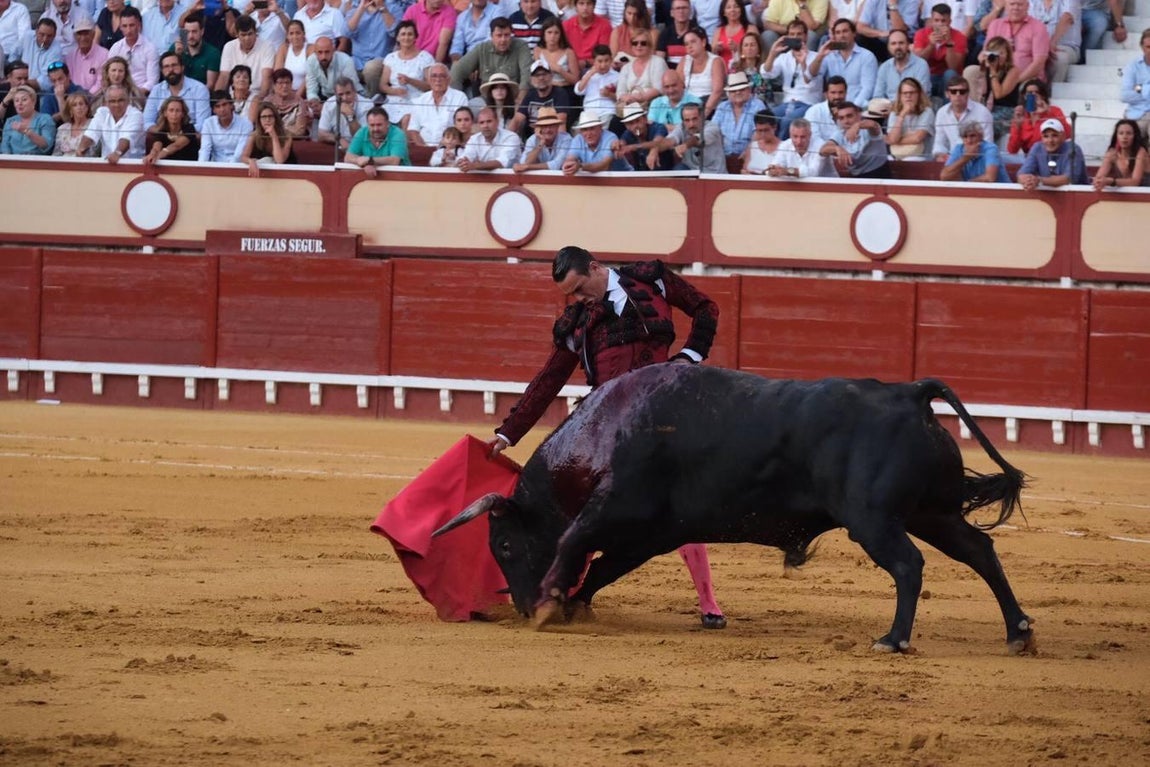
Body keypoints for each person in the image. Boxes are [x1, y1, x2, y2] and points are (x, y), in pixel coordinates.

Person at [487, 244, 727, 630]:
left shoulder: (653, 282)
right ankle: (568, 593)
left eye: (581, 288)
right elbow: (549, 380)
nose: (579, 299)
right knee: (585, 509)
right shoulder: (577, 324)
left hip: (661, 416)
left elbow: (706, 309)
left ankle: (708, 601)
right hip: (608, 428)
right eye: (572, 295)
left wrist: (690, 357)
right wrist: (508, 433)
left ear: (596, 268)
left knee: (679, 505)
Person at [763, 20, 823, 139]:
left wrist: (803, 62)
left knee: (787, 122)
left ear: (806, 36)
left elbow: (811, 85)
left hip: (808, 102)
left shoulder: (816, 57)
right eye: (792, 34)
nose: (795, 37)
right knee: (768, 119)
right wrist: (772, 53)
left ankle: (780, 150)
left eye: (799, 34)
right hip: (788, 102)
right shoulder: (784, 57)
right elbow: (767, 74)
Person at [450, 17, 532, 98]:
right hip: (486, 100)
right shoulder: (482, 49)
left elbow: (527, 75)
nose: (503, 40)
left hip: (512, 99)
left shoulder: (521, 46)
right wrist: (456, 99)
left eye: (506, 35)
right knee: (472, 107)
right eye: (499, 36)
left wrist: (520, 100)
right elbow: (457, 71)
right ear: (491, 36)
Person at [809, 18, 877, 105]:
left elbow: (868, 88)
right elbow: (812, 75)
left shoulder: (867, 56)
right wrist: (820, 56)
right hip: (833, 105)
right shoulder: (828, 55)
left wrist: (854, 107)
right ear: (834, 36)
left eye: (845, 31)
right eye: (838, 32)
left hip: (857, 106)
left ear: (854, 33)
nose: (842, 35)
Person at [380, 19, 434, 129]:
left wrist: (410, 81)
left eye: (410, 34)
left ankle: (404, 146)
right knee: (380, 119)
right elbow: (383, 85)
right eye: (403, 34)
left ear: (415, 37)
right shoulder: (391, 58)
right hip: (394, 100)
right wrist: (394, 91)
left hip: (416, 101)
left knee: (407, 119)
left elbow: (430, 86)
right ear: (398, 38)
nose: (406, 37)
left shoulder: (424, 57)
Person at [819, 99, 889, 177]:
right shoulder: (840, 133)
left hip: (879, 174)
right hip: (856, 177)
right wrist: (837, 148)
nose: (846, 121)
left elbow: (873, 125)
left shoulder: (868, 129)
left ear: (859, 115)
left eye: (849, 116)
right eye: (841, 118)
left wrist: (857, 125)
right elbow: (822, 150)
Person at [144, 50, 212, 131]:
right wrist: (160, 131)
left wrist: (179, 133)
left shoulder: (199, 89)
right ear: (162, 71)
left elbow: (203, 124)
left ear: (182, 67)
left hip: (190, 136)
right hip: (162, 134)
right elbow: (147, 121)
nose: (171, 70)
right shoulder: (156, 90)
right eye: (166, 66)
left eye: (174, 65)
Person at [984, 0, 1048, 85]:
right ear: (1006, 6)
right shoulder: (995, 25)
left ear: (1027, 6)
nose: (1015, 7)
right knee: (971, 72)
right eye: (1012, 4)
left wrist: (1015, 81)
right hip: (997, 76)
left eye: (1020, 4)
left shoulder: (1038, 27)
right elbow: (984, 55)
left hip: (1027, 80)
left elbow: (1039, 63)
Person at [966, 35, 1020, 136]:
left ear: (1008, 54)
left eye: (1002, 53)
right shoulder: (986, 67)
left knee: (985, 125)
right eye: (995, 53)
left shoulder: (1013, 71)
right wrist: (983, 64)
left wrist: (992, 71)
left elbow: (998, 94)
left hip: (1006, 111)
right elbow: (982, 92)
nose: (998, 57)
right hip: (987, 108)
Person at [912, 3, 967, 99]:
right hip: (929, 76)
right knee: (918, 74)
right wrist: (931, 45)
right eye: (936, 20)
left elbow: (953, 66)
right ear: (931, 21)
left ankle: (949, 109)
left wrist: (949, 42)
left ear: (950, 21)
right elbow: (918, 61)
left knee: (950, 73)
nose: (940, 24)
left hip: (947, 78)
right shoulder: (921, 34)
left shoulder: (959, 37)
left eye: (943, 21)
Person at [406, 61, 469, 145]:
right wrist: (424, 149)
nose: (438, 80)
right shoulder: (420, 100)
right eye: (434, 76)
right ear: (428, 80)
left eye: (442, 76)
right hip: (424, 148)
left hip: (450, 148)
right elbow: (413, 130)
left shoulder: (460, 97)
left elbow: (463, 128)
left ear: (449, 79)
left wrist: (443, 149)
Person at [932, 74, 993, 160]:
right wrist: (940, 156)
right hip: (951, 159)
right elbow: (939, 143)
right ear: (947, 94)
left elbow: (988, 144)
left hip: (976, 159)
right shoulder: (941, 113)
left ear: (968, 93)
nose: (958, 95)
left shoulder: (982, 112)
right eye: (953, 91)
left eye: (962, 91)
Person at [78, 83, 144, 161]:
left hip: (132, 165)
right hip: (106, 164)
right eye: (112, 101)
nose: (117, 104)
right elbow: (90, 134)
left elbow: (127, 139)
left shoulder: (136, 115)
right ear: (106, 103)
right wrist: (82, 147)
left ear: (128, 101)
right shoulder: (102, 112)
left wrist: (117, 153)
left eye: (121, 100)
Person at [1006, 77, 1069, 156]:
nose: (1033, 95)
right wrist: (1017, 127)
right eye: (1029, 93)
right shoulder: (1022, 115)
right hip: (1030, 157)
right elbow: (1012, 150)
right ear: (1025, 96)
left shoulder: (1054, 111)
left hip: (1052, 154)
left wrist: (1046, 114)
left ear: (1043, 96)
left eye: (1037, 92)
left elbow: (1067, 134)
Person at [1016, 117, 1086, 188]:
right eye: (1046, 136)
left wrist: (1039, 180)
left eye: (1054, 135)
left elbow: (1068, 179)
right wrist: (1028, 181)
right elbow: (1021, 175)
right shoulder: (1037, 147)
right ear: (1041, 138)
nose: (1050, 140)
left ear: (1063, 136)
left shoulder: (1073, 148)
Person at [713, 69, 766, 160]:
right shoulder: (722, 106)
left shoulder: (758, 105)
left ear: (749, 90)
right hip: (722, 156)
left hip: (750, 156)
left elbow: (759, 133)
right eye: (734, 91)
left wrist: (748, 152)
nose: (738, 92)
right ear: (728, 93)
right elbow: (714, 129)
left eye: (742, 89)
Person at [347, 0, 394, 98]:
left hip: (381, 59)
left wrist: (383, 9)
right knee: (343, 65)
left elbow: (394, 33)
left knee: (371, 68)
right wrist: (361, 9)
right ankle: (354, 101)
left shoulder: (392, 7)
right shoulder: (355, 9)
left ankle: (373, 102)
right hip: (358, 60)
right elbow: (347, 32)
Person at [219, 14, 276, 97]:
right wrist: (218, 99)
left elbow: (266, 77)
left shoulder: (267, 47)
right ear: (237, 35)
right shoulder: (229, 46)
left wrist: (258, 101)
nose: (247, 38)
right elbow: (224, 76)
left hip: (257, 94)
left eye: (250, 34)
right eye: (243, 35)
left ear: (255, 33)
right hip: (234, 95)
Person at [306, 35, 359, 123]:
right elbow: (311, 88)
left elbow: (348, 91)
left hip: (348, 98)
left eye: (327, 52)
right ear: (315, 52)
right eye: (320, 52)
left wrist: (326, 106)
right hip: (326, 97)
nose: (323, 56)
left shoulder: (345, 61)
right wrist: (314, 102)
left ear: (334, 50)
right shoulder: (311, 61)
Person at [345, 104, 411, 173]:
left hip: (400, 177)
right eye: (372, 125)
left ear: (388, 123)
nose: (375, 129)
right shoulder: (362, 132)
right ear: (367, 124)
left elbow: (394, 161)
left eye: (379, 125)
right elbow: (347, 157)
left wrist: (370, 160)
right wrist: (361, 161)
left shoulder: (398, 133)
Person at [514, 58, 573, 133]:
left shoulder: (560, 93)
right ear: (531, 79)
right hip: (532, 138)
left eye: (544, 74)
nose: (541, 78)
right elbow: (517, 120)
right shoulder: (530, 94)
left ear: (551, 75)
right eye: (537, 75)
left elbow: (561, 122)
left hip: (553, 137)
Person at [615, 23, 666, 110]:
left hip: (653, 106)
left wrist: (640, 98)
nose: (639, 46)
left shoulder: (658, 62)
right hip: (630, 107)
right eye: (635, 43)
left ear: (649, 46)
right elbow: (620, 92)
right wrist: (627, 98)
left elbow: (659, 88)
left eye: (643, 43)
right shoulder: (626, 67)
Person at [108, 6, 158, 94]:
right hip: (118, 94)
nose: (128, 30)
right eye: (124, 26)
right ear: (120, 27)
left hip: (141, 95)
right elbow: (108, 75)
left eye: (132, 25)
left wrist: (136, 95)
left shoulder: (150, 48)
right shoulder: (116, 48)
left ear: (139, 25)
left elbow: (152, 81)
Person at [562, 108, 630, 172]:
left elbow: (604, 166)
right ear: (580, 131)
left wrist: (580, 166)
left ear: (600, 128)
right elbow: (570, 159)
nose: (589, 134)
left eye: (592, 128)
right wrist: (569, 164)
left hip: (625, 180)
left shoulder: (610, 138)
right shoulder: (578, 139)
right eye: (585, 130)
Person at [940, 118, 1009, 181]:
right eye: (965, 137)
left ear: (981, 136)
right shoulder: (959, 149)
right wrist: (966, 158)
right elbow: (944, 176)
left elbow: (990, 178)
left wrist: (967, 185)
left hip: (1000, 192)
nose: (969, 141)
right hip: (973, 192)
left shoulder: (990, 148)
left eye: (972, 136)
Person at [241, 100, 296, 176]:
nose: (267, 120)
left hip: (286, 175)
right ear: (259, 120)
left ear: (275, 118)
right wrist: (251, 161)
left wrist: (274, 136)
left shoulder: (286, 135)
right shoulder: (254, 135)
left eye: (270, 116)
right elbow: (243, 157)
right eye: (264, 117)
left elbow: (279, 160)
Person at [666, 100, 725, 171]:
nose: (691, 124)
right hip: (692, 172)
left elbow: (697, 139)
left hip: (714, 175)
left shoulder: (712, 127)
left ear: (702, 118)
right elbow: (670, 140)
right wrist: (655, 149)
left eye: (695, 119)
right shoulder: (681, 127)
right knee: (678, 169)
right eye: (687, 120)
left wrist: (685, 145)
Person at [874, 28, 930, 102]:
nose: (897, 47)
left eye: (901, 43)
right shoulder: (884, 67)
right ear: (888, 47)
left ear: (908, 45)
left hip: (915, 108)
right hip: (889, 109)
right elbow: (878, 96)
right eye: (893, 43)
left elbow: (922, 95)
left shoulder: (921, 65)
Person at [319, 75, 374, 151]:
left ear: (354, 92)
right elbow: (321, 134)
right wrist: (339, 139)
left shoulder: (367, 105)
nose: (344, 98)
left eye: (348, 93)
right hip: (338, 147)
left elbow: (362, 137)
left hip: (362, 147)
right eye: (340, 94)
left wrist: (350, 116)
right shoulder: (329, 104)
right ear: (335, 95)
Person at [457, 104, 520, 169]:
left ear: (497, 122)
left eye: (489, 121)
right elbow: (467, 155)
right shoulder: (475, 139)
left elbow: (501, 163)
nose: (485, 126)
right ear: (478, 125)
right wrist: (462, 162)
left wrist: (474, 165)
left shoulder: (511, 137)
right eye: (482, 122)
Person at [678, 25, 723, 117]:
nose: (689, 46)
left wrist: (703, 115)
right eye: (686, 44)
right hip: (688, 107)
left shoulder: (715, 61)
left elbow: (717, 92)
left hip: (710, 108)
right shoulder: (684, 61)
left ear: (703, 42)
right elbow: (677, 86)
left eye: (693, 42)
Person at [1029, 0, 1078, 84]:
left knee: (1059, 58)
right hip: (1038, 45)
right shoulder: (1032, 2)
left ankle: (1053, 93)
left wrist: (1052, 42)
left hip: (1064, 46)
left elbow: (1067, 18)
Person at [769, 116, 837, 176]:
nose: (799, 142)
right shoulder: (785, 145)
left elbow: (814, 173)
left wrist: (788, 171)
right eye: (795, 137)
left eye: (803, 137)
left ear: (810, 135)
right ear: (790, 135)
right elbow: (776, 165)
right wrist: (774, 169)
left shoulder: (820, 145)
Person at [885, 76, 934, 159]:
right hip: (898, 156)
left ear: (918, 94)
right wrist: (901, 115)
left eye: (912, 92)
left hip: (921, 156)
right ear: (900, 96)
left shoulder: (927, 111)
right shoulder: (894, 113)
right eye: (905, 93)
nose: (908, 96)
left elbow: (917, 138)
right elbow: (893, 139)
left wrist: (895, 141)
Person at [1092, 118, 1148, 189]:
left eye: (1129, 133)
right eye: (1121, 133)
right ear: (1116, 136)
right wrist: (1099, 181)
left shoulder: (1141, 152)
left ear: (1135, 136)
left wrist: (1111, 181)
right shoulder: (1112, 153)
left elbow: (1135, 182)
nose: (1124, 137)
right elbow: (1098, 177)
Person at [198, 88, 252, 162]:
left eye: (224, 104)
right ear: (213, 110)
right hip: (215, 166)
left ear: (231, 105)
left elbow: (239, 154)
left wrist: (227, 171)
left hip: (238, 167)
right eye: (218, 106)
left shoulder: (245, 124)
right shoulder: (208, 123)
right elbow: (205, 150)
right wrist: (201, 168)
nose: (222, 109)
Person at [614, 101, 673, 169]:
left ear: (645, 119)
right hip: (641, 173)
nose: (635, 126)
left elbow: (657, 143)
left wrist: (632, 147)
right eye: (630, 123)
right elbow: (622, 143)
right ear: (626, 126)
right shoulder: (628, 134)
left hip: (666, 171)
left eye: (638, 121)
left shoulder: (658, 127)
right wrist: (617, 145)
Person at [0, 84, 56, 154]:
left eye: (24, 99)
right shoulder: (10, 121)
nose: (20, 103)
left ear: (33, 101)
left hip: (37, 161)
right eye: (16, 100)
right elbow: (5, 147)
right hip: (13, 162)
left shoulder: (45, 119)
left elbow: (47, 145)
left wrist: (27, 131)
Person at [512, 103, 570, 169]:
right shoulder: (532, 139)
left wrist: (528, 167)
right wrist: (541, 143)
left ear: (557, 127)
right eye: (544, 126)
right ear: (539, 128)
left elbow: (557, 164)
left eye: (551, 126)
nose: (548, 130)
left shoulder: (566, 139)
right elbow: (524, 162)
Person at [144, 95, 199, 163]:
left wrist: (158, 156)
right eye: (171, 110)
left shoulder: (189, 128)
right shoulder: (161, 130)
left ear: (183, 114)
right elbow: (157, 146)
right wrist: (153, 154)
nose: (174, 114)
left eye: (178, 111)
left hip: (187, 167)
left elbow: (177, 145)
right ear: (165, 113)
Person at [175, 12, 222, 92]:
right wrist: (177, 56)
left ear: (202, 31)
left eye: (194, 31)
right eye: (187, 32)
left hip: (201, 95)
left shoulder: (212, 53)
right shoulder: (175, 48)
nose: (190, 36)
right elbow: (171, 78)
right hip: (178, 95)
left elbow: (210, 85)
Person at [646, 66, 699, 132]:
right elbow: (650, 127)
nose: (671, 90)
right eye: (667, 87)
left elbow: (690, 129)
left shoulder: (694, 102)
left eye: (674, 85)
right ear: (662, 88)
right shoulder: (656, 103)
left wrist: (660, 126)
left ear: (682, 84)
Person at [759, 0, 827, 51]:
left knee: (811, 35)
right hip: (783, 36)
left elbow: (811, 27)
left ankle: (805, 67)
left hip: (804, 36)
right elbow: (768, 24)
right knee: (768, 35)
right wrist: (790, 30)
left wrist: (801, 4)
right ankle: (777, 66)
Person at [263, 67, 311, 137]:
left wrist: (275, 130)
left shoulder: (300, 103)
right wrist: (289, 129)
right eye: (280, 83)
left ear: (291, 84)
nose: (285, 86)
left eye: (287, 82)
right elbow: (264, 126)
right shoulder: (267, 102)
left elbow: (299, 131)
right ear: (274, 85)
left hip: (294, 141)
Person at [533, 16, 578, 91]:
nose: (552, 36)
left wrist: (560, 70)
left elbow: (575, 80)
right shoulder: (538, 51)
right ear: (544, 34)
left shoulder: (569, 52)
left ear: (561, 35)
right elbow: (536, 76)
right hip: (544, 90)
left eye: (556, 33)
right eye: (549, 32)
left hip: (565, 90)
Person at [563, 0, 611, 70]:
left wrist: (586, 62)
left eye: (589, 4)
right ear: (575, 6)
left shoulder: (604, 25)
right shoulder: (566, 25)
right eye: (581, 3)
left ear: (594, 6)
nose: (585, 8)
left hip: (595, 67)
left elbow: (604, 54)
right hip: (570, 66)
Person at [1120, 28, 1150, 141]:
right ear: (1142, 47)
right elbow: (1124, 96)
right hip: (1135, 115)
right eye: (1148, 47)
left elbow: (1132, 91)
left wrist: (1140, 88)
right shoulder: (1132, 66)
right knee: (1123, 134)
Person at [66, 16, 108, 95]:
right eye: (79, 34)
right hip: (74, 98)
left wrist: (87, 97)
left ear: (93, 34)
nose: (83, 38)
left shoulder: (104, 54)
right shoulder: (70, 56)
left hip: (96, 97)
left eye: (86, 34)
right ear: (75, 36)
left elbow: (101, 83)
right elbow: (68, 81)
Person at [574, 43, 618, 114]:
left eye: (606, 61)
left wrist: (609, 94)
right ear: (594, 61)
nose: (603, 65)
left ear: (611, 60)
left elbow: (621, 97)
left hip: (608, 111)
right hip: (589, 112)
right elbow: (578, 91)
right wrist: (590, 74)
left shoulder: (617, 76)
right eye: (600, 61)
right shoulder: (589, 74)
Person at [805, 73, 848, 145]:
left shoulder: (852, 112)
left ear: (846, 93)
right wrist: (833, 149)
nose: (837, 96)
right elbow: (814, 139)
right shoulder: (814, 111)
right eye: (833, 93)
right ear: (826, 94)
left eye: (841, 92)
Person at [39, 60, 85, 124]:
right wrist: (64, 113)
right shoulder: (49, 94)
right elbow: (44, 120)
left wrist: (60, 98)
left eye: (60, 79)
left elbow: (69, 119)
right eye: (54, 81)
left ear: (68, 76)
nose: (58, 83)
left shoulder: (79, 91)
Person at [273, 18, 309, 98]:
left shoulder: (310, 49)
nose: (295, 36)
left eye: (298, 33)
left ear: (304, 34)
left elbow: (309, 77)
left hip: (304, 95)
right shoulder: (283, 48)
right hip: (284, 93)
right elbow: (277, 74)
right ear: (287, 36)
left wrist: (296, 97)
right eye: (291, 33)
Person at [52, 89, 95, 155]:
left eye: (81, 104)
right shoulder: (62, 128)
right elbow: (56, 154)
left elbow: (94, 152)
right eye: (74, 105)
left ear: (87, 107)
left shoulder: (93, 125)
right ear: (70, 110)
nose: (79, 107)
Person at [740, 108, 782, 173]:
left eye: (766, 130)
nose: (763, 134)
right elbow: (744, 170)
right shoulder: (752, 147)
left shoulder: (785, 146)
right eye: (759, 130)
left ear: (774, 127)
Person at [655, 0, 693, 67]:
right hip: (669, 74)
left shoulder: (698, 33)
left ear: (690, 11)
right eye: (678, 8)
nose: (681, 11)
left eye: (684, 8)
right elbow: (659, 61)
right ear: (671, 13)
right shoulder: (665, 34)